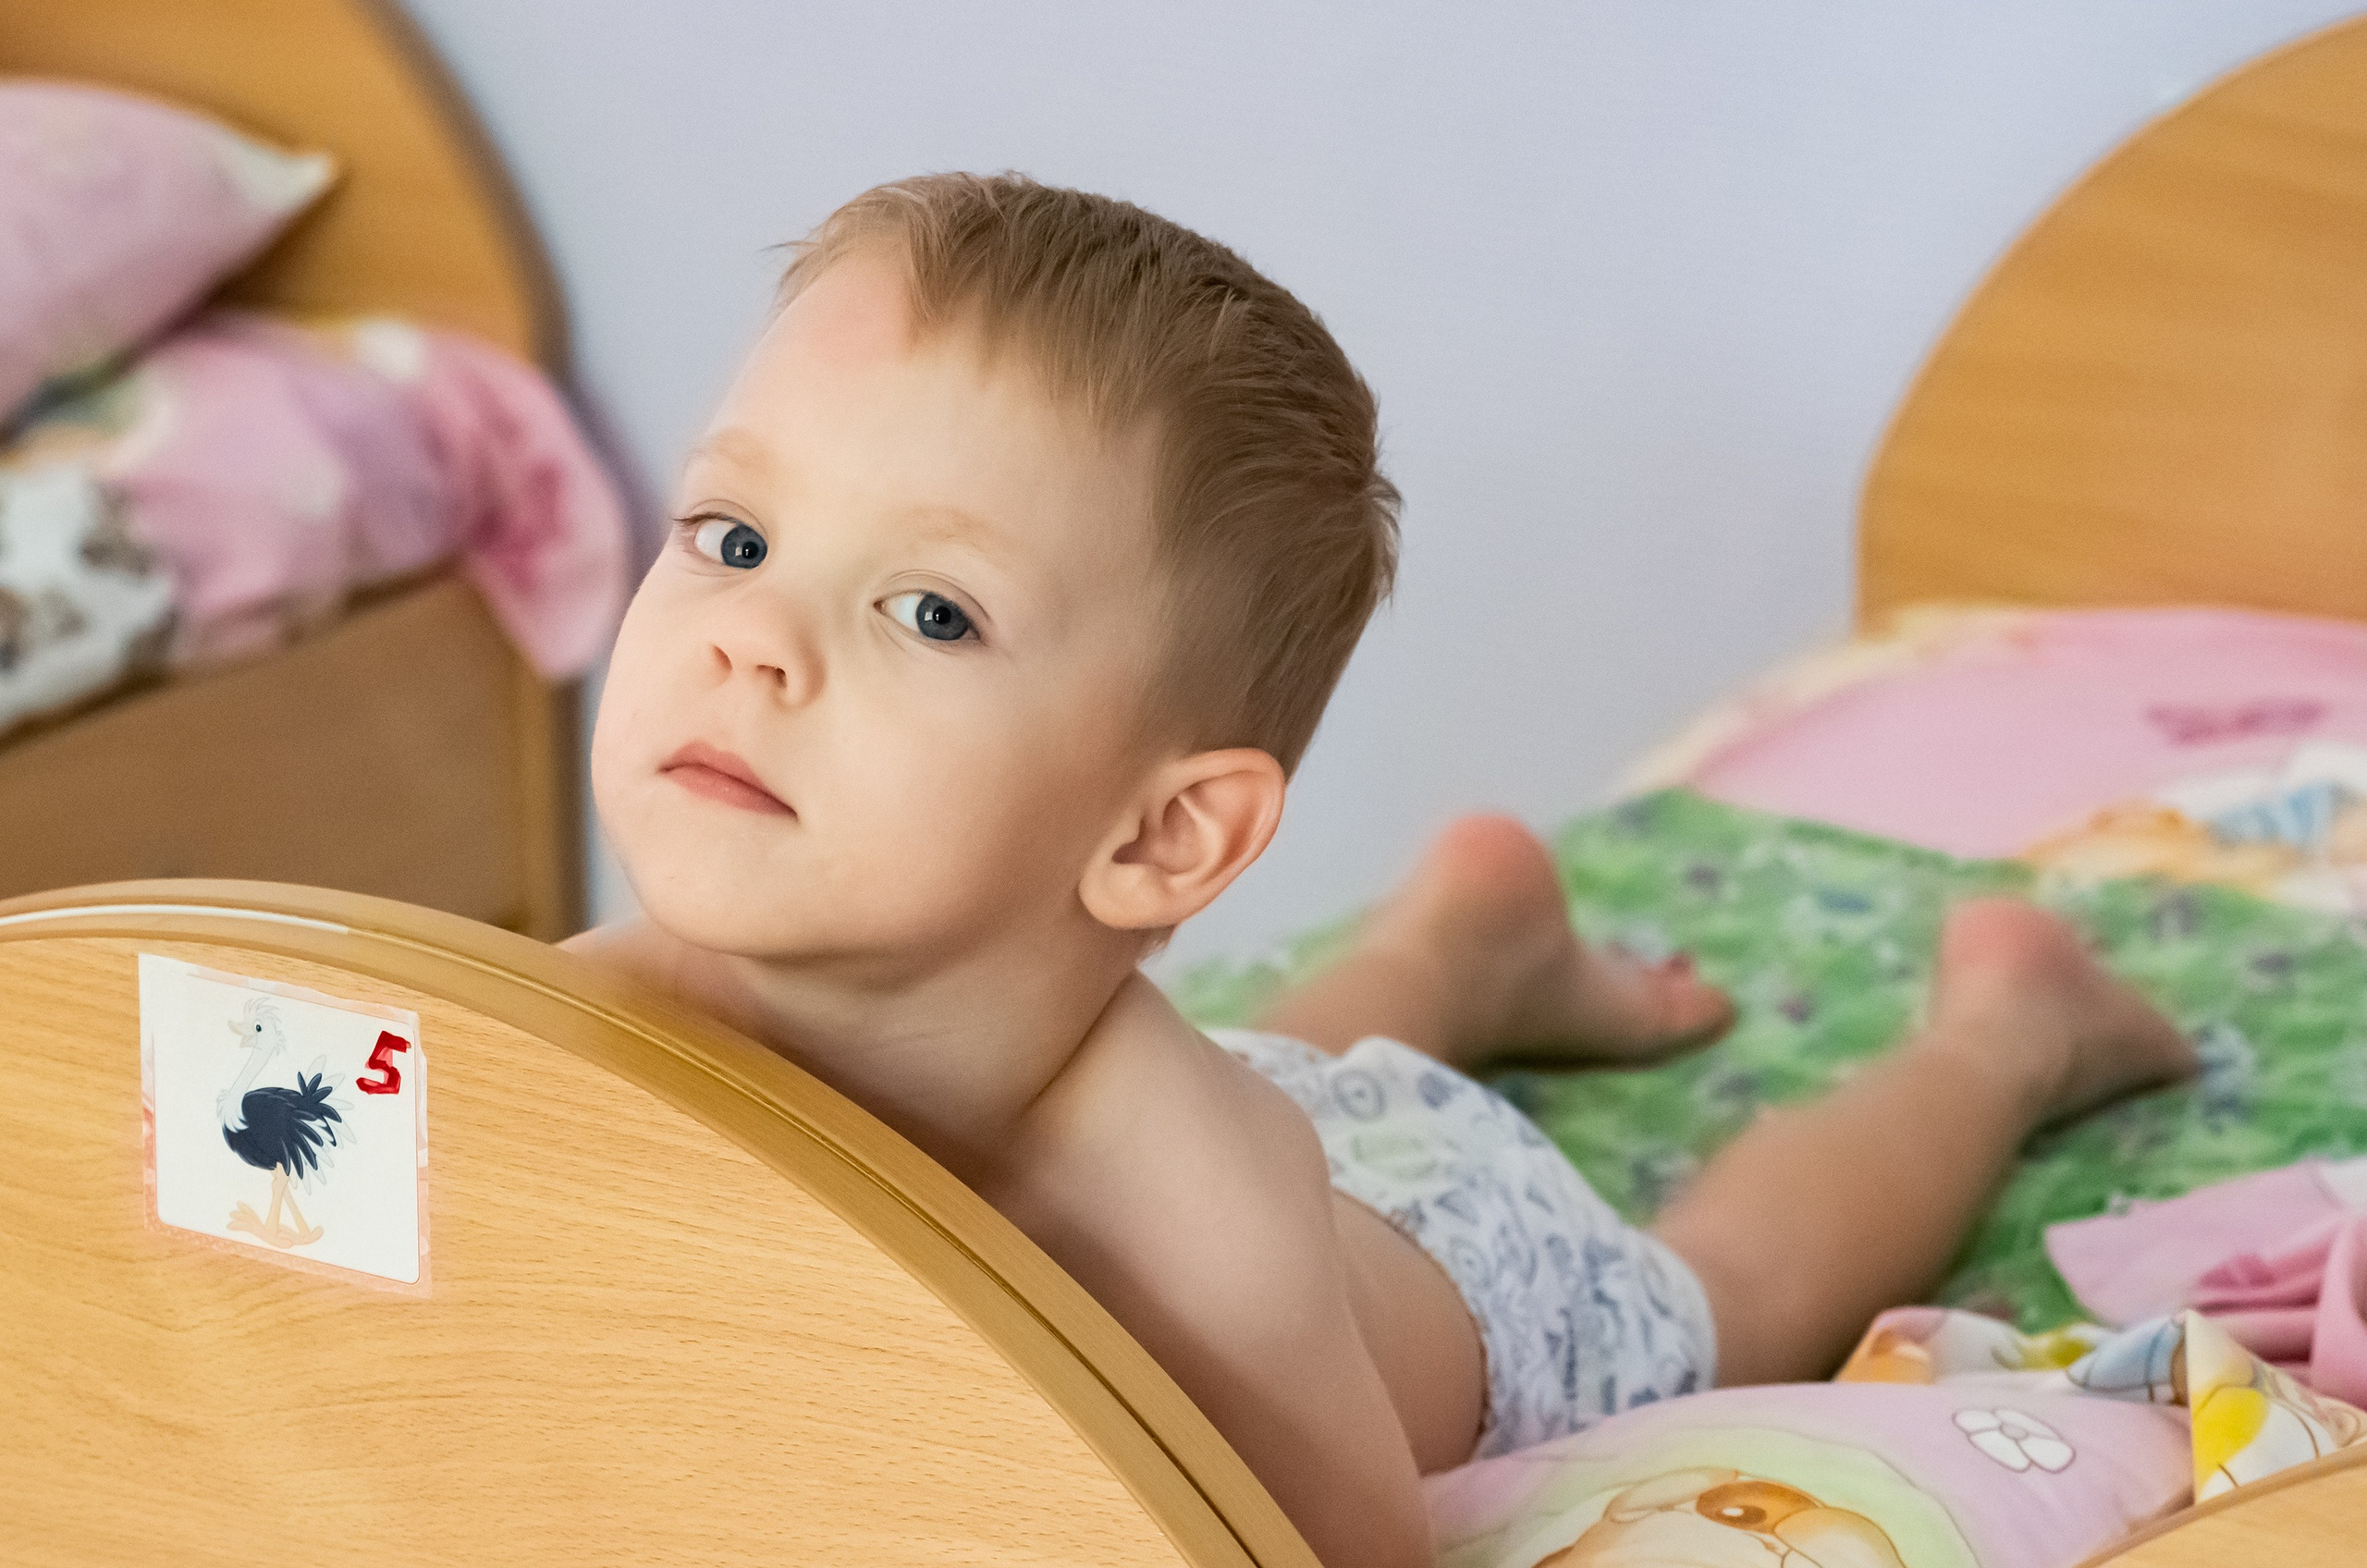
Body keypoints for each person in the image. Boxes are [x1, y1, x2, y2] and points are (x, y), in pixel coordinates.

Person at [564, 173, 2198, 1568]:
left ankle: (2008, 1032)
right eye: (732, 537)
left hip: (1453, 1267)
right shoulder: (562, 1020)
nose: (750, 642)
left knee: (1734, 1284)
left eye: (933, 612)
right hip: (1252, 1075)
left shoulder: (1194, 1208)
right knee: (1284, 1054)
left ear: (1162, 837)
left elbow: (1351, 1551)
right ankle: (1467, 937)